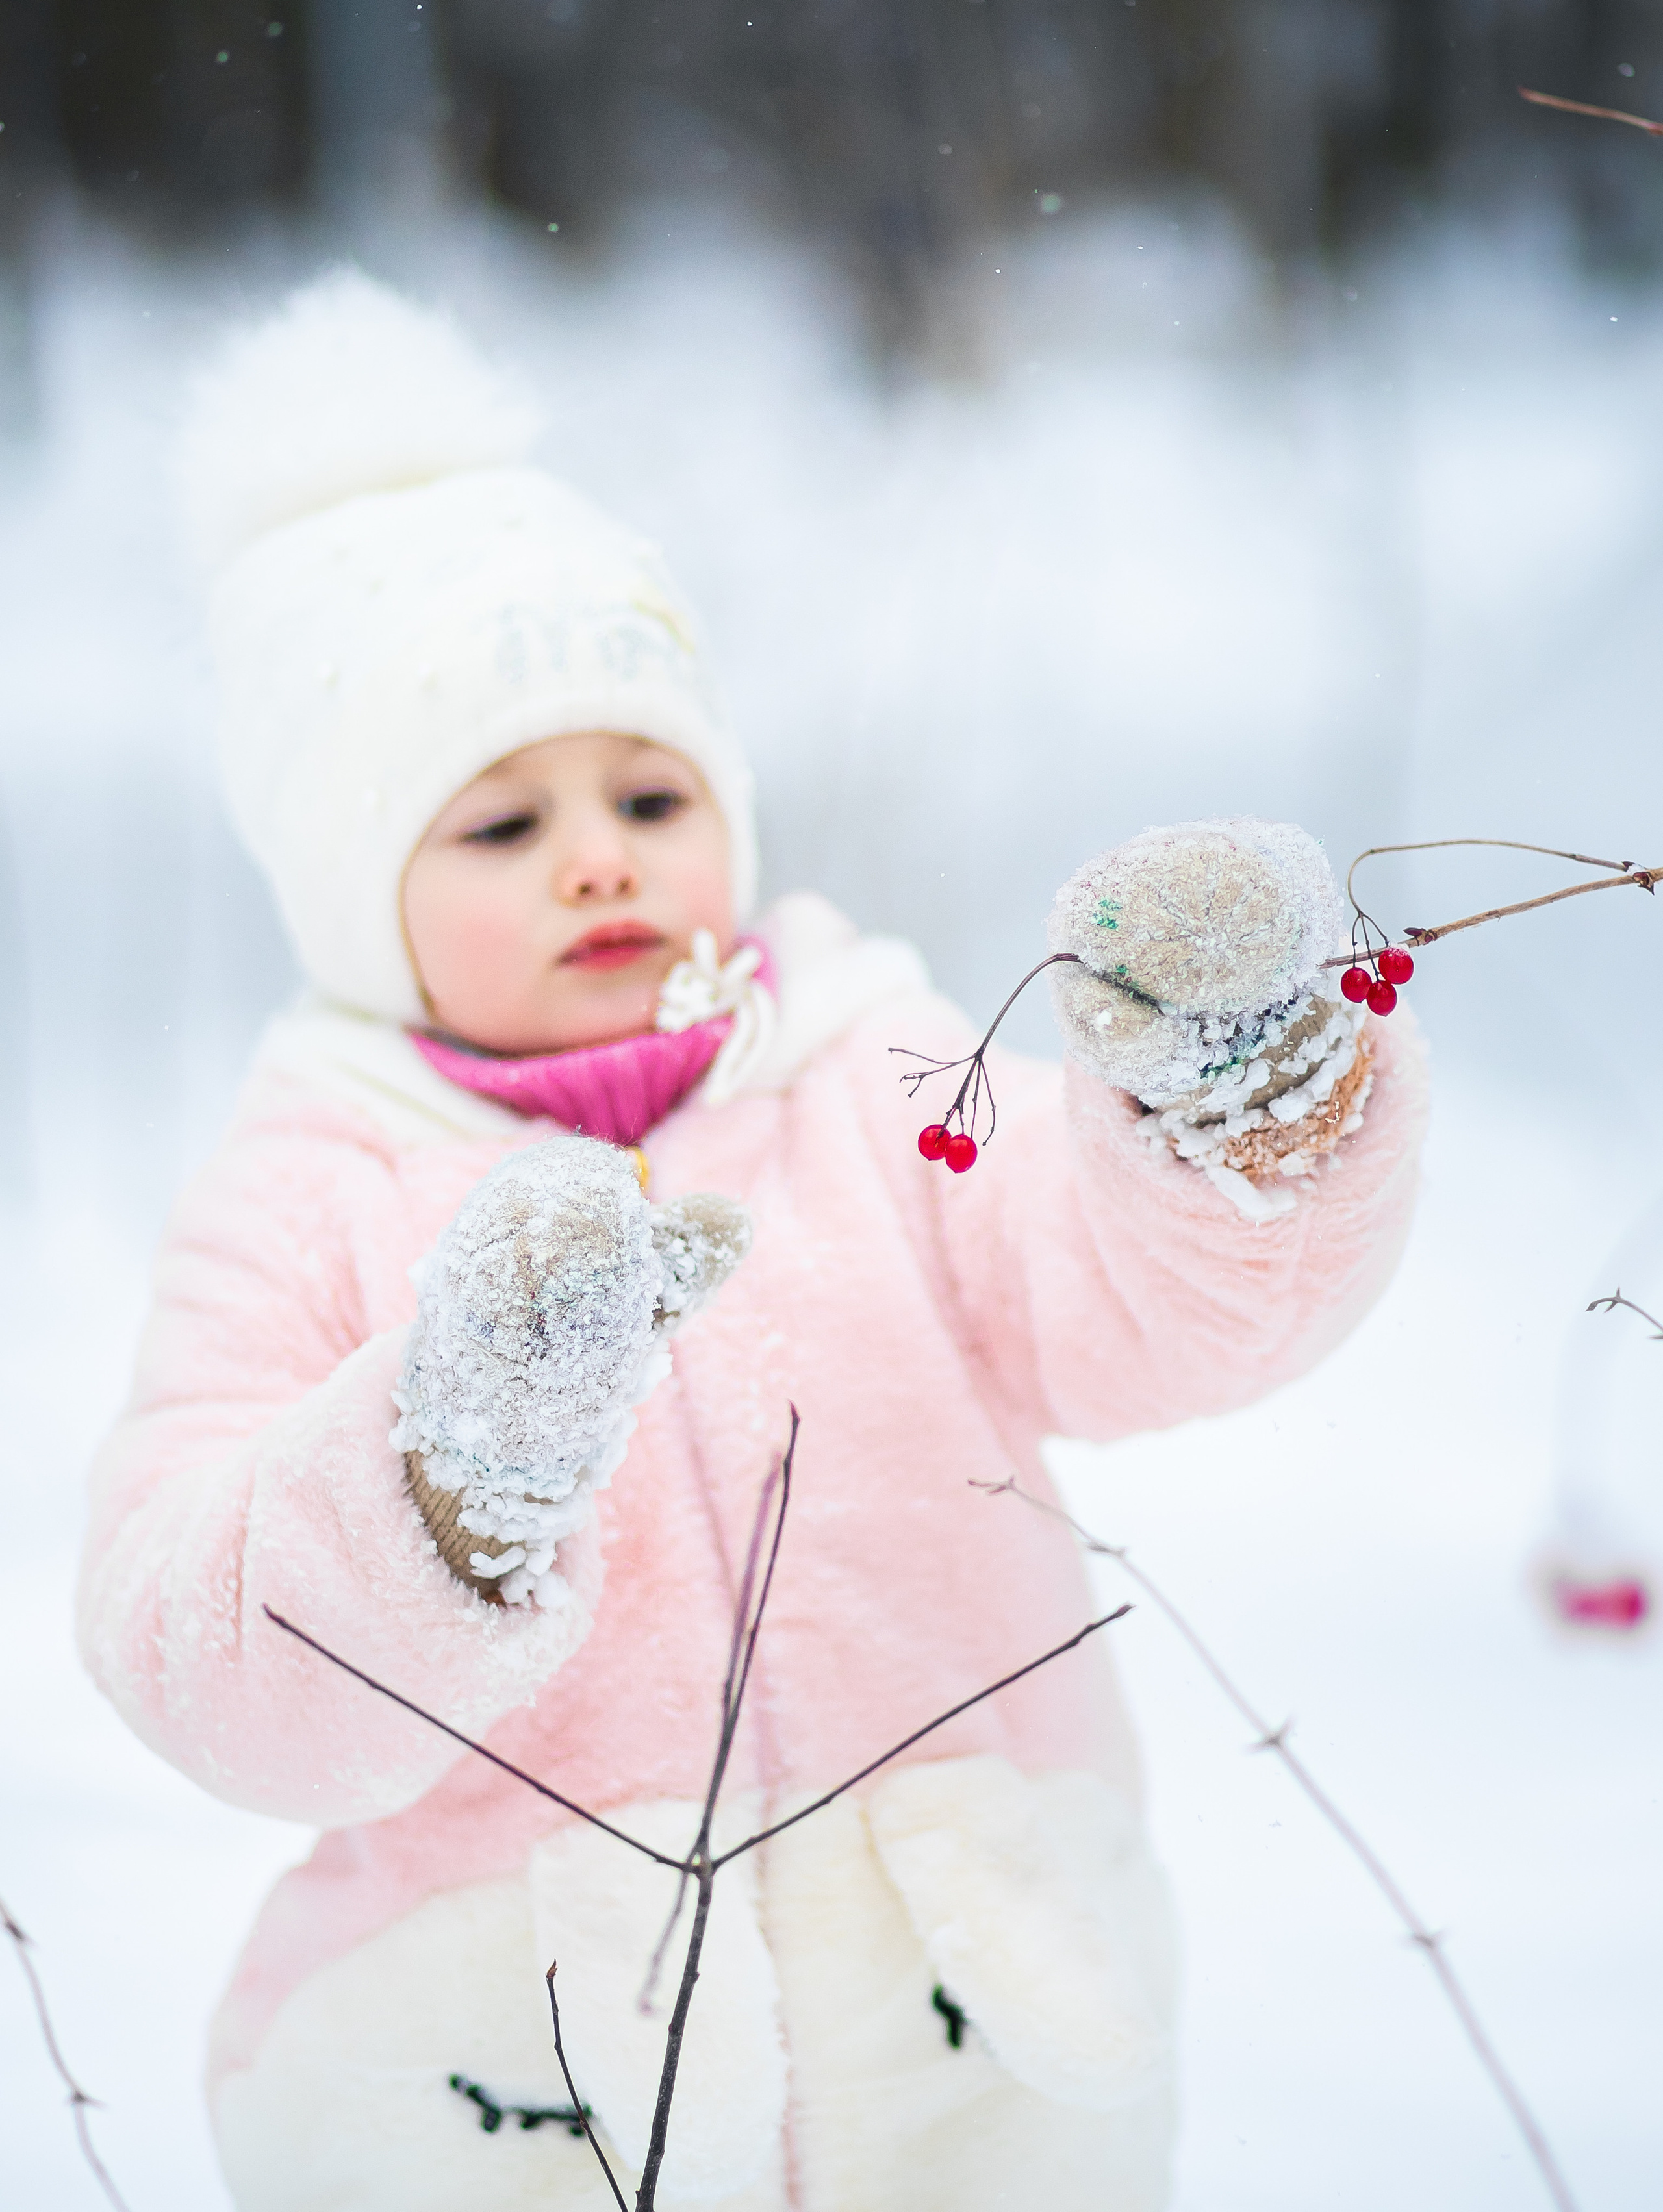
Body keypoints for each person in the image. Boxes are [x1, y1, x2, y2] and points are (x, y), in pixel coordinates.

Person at [77, 275, 1427, 2211]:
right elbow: (185, 1640)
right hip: (525, 2081)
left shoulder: (868, 1074)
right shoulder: (307, 1188)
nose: (601, 855)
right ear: (355, 897)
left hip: (970, 2034)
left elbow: (1137, 1303)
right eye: (498, 826)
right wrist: (444, 1484)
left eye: (651, 792)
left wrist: (1236, 1112)